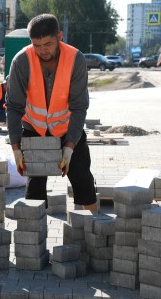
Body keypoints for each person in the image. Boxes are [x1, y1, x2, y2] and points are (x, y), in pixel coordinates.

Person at [6, 13, 97, 214]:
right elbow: (13, 107)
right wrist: (16, 147)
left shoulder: (75, 59)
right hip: (35, 129)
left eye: (47, 44)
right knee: (35, 188)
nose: (42, 50)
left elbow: (79, 107)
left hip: (67, 128)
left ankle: (96, 227)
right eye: (36, 45)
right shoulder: (22, 60)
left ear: (60, 36)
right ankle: (33, 238)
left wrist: (70, 146)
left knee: (83, 180)